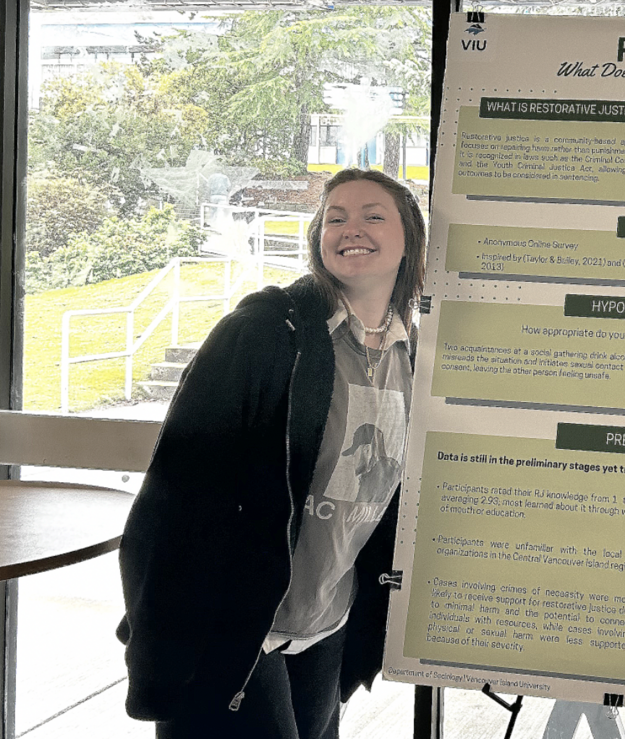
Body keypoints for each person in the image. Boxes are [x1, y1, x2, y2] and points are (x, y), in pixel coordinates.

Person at [116, 167, 426, 739]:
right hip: (235, 627)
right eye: (335, 217)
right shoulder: (264, 332)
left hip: (328, 623)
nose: (350, 228)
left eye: (373, 216)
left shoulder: (412, 354)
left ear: (410, 239)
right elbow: (173, 498)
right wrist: (158, 646)